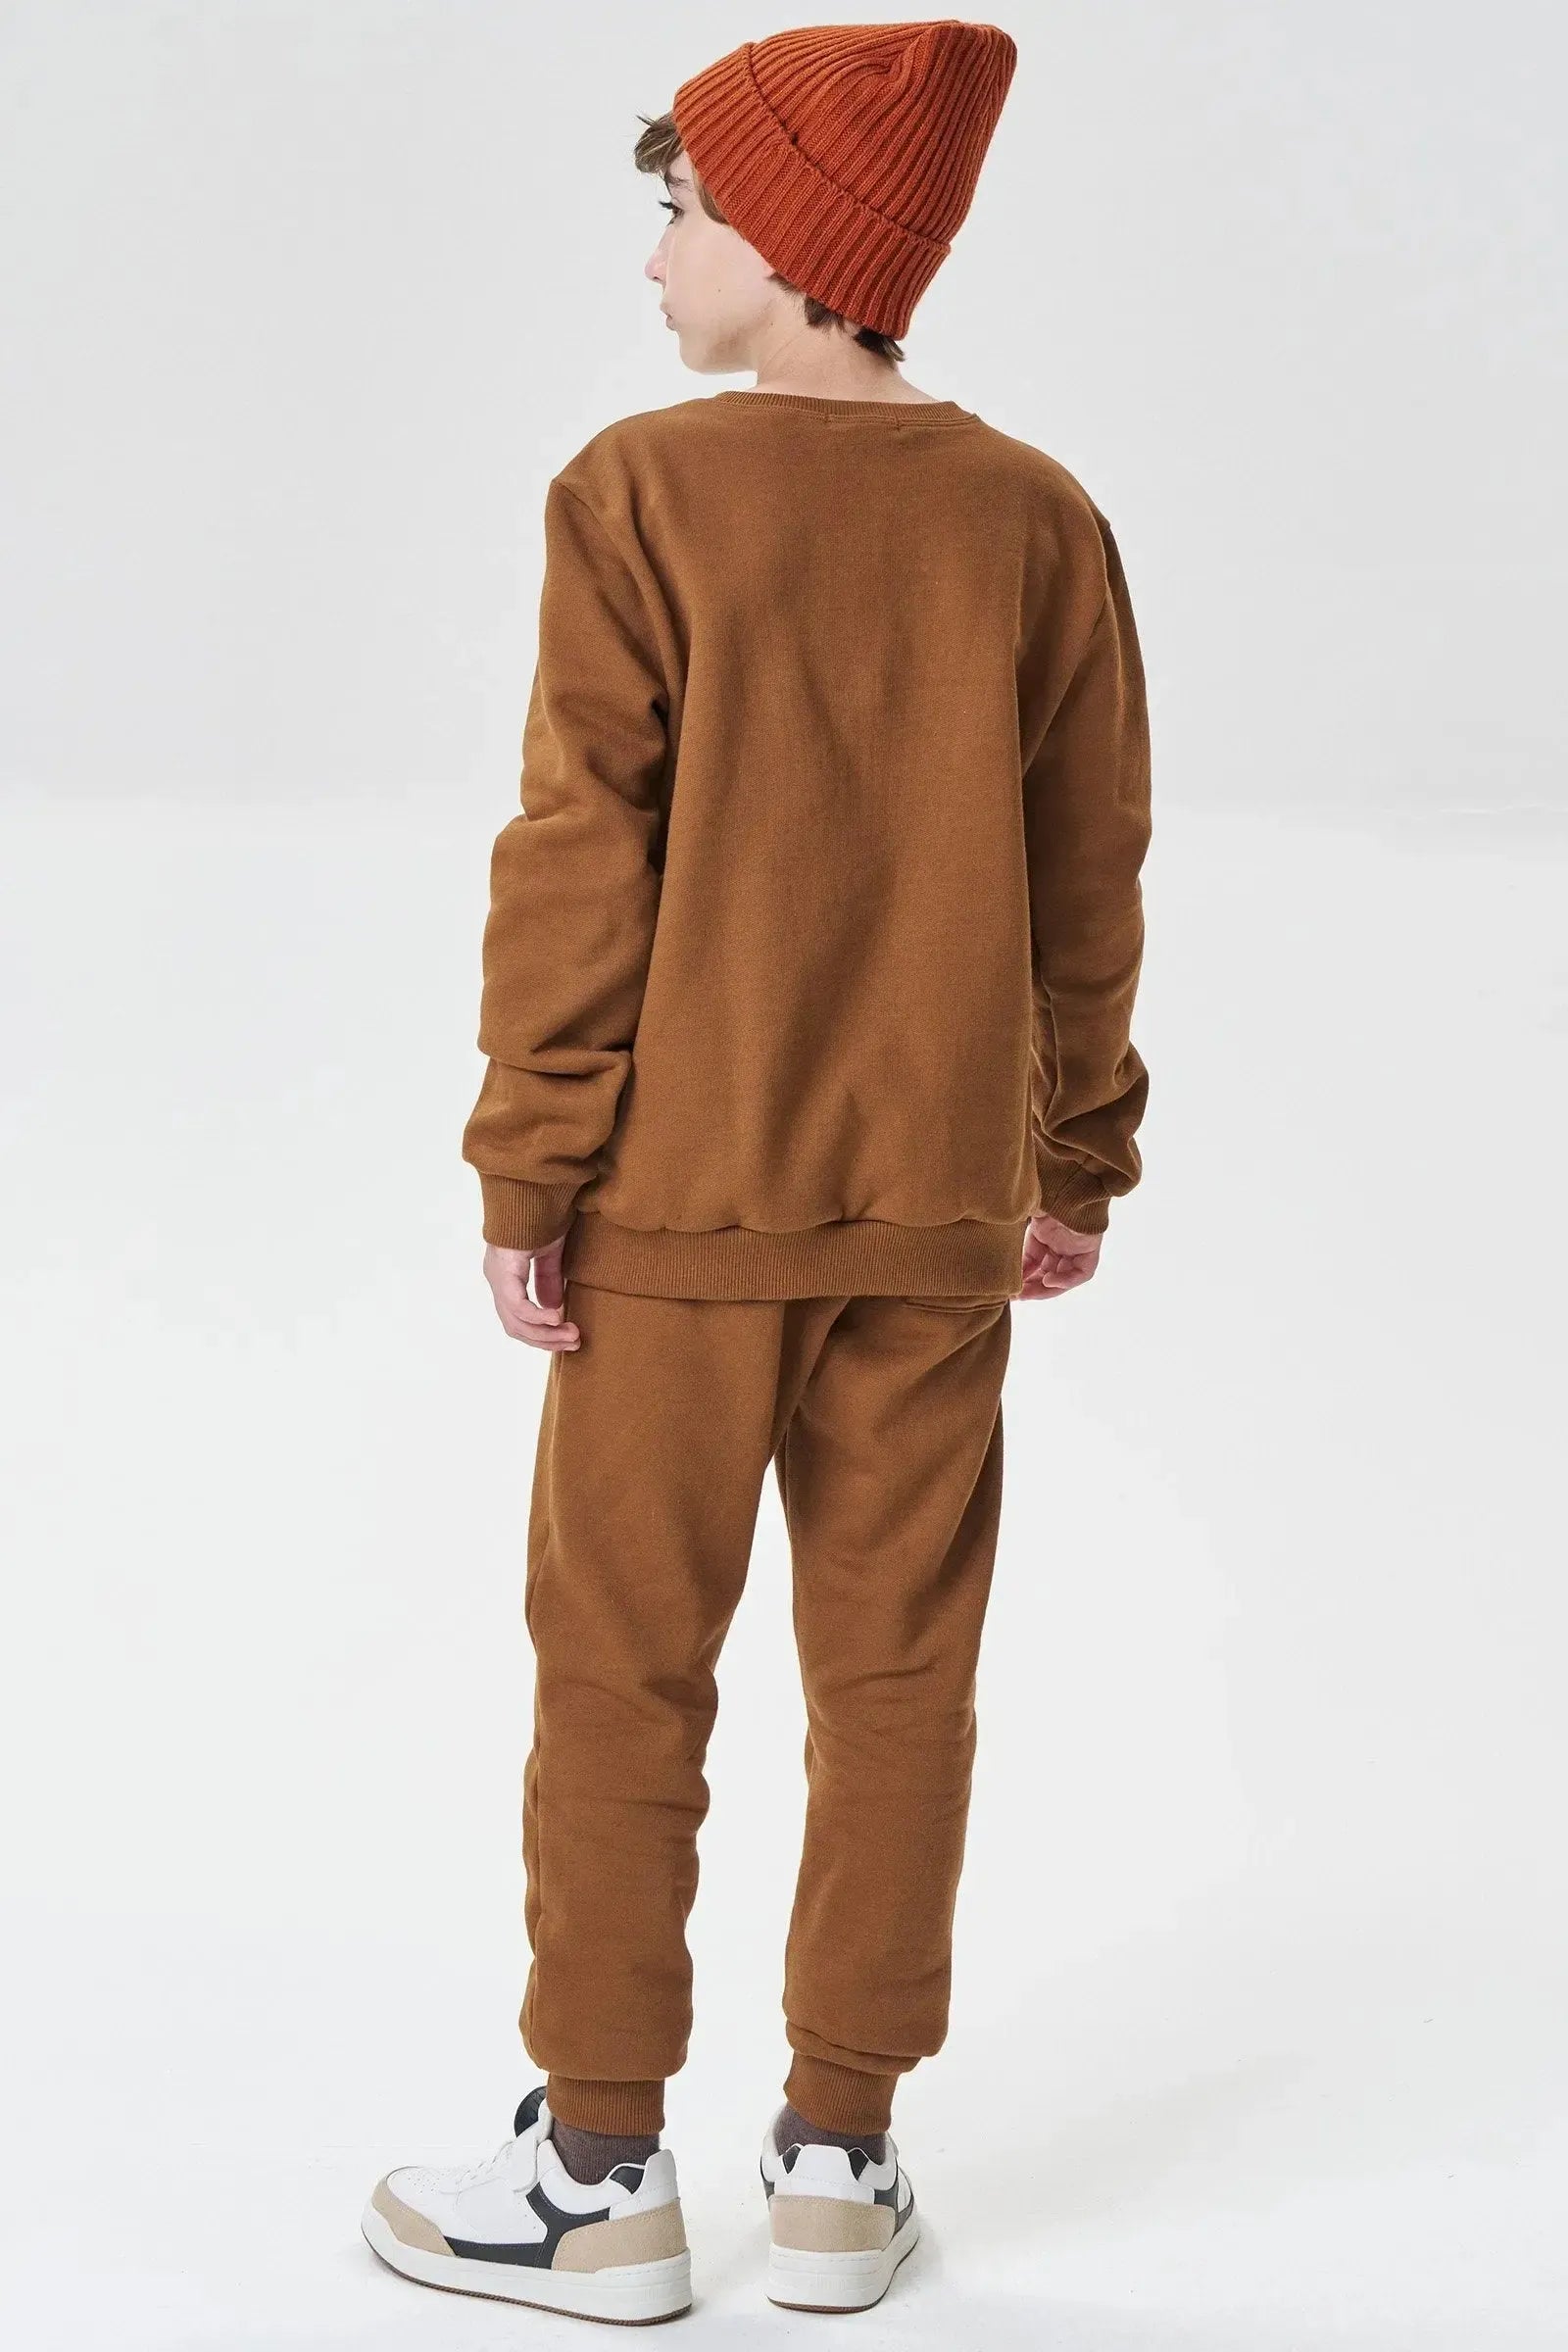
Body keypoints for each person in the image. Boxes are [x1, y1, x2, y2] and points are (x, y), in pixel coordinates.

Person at [361, 17, 1152, 2326]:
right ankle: (836, 2159)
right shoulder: (1033, 517)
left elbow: (573, 859)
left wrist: (529, 1166)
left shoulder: (637, 495)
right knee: (899, 1675)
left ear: (793, 240)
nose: (653, 258)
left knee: (624, 1673)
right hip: (934, 1218)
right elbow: (1086, 875)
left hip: (675, 1219)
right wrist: (1072, 1157)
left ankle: (598, 2175)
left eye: (682, 211)